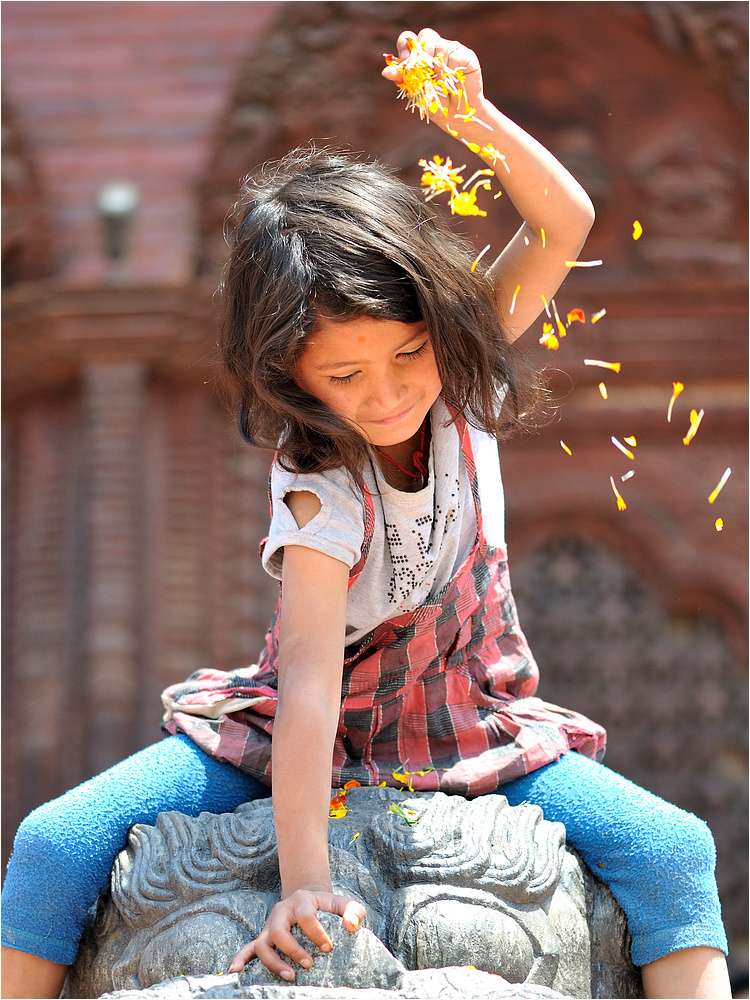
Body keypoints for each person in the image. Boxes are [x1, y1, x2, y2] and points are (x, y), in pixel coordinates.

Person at [1, 28, 730, 1000]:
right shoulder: (318, 483)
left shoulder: (456, 376)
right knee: (57, 840)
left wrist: (472, 118)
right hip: (308, 738)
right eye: (344, 375)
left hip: (476, 730)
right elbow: (307, 687)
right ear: (291, 374)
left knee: (675, 849)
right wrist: (306, 884)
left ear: (441, 328)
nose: (388, 394)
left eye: (405, 357)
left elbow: (563, 223)